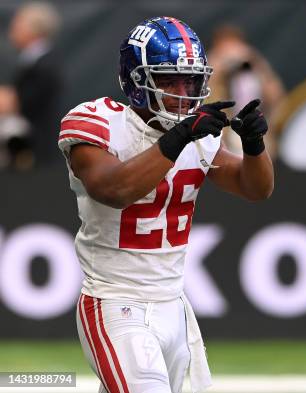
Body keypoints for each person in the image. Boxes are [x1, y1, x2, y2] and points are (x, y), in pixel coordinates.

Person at [58, 17, 273, 393]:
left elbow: (253, 188)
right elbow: (114, 189)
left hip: (173, 305)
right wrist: (179, 137)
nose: (182, 91)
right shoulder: (99, 122)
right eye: (168, 80)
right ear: (136, 80)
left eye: (189, 81)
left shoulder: (197, 135)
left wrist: (255, 145)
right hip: (114, 301)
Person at [0, 1, 63, 167]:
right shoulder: (31, 60)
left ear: (34, 28)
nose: (12, 29)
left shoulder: (46, 64)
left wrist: (10, 100)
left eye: (18, 23)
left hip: (39, 152)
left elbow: (24, 101)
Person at [207, 25, 286, 157]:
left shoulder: (252, 62)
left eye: (234, 46)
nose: (231, 53)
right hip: (221, 134)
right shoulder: (212, 63)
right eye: (225, 48)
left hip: (251, 129)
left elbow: (275, 96)